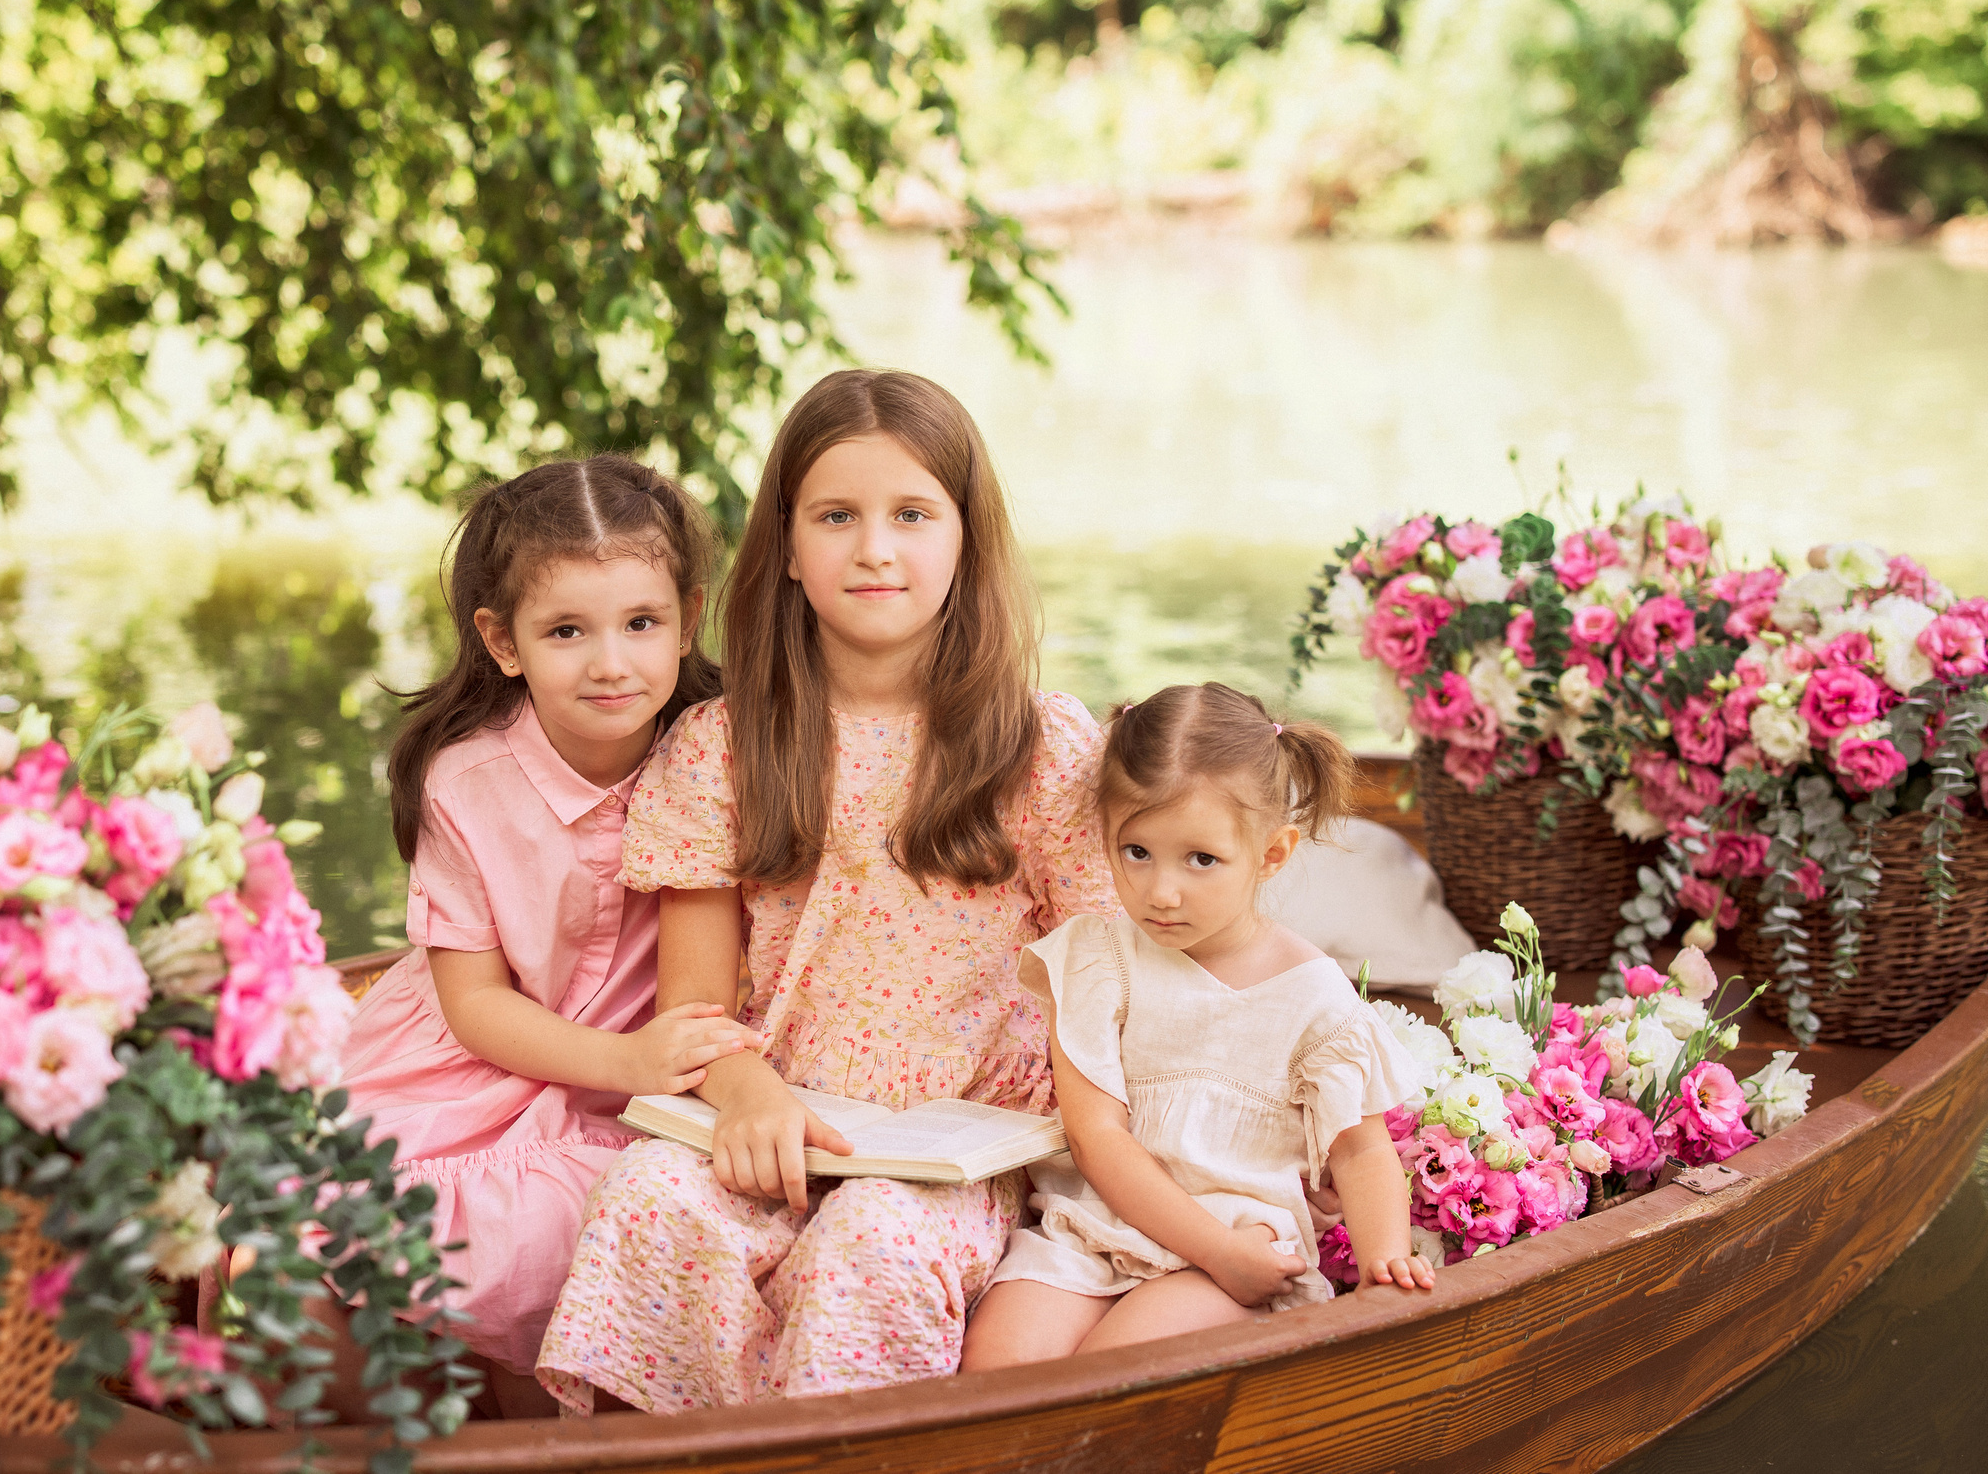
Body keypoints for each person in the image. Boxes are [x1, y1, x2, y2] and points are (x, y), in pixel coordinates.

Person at [535, 369, 1116, 1414]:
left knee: (871, 1242)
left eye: (911, 515)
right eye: (836, 516)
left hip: (958, 1140)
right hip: (778, 1106)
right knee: (647, 1200)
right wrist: (748, 1089)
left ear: (965, 541)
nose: (875, 549)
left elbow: (1115, 978)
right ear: (790, 550)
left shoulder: (1041, 749)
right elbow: (695, 1008)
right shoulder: (721, 746)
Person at [328, 454, 757, 1416]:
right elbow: (474, 1002)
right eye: (567, 630)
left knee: (599, 1223)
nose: (611, 662)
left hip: (657, 1066)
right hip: (486, 1055)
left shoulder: (726, 752)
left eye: (642, 624)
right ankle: (439, 1431)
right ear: (504, 640)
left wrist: (653, 1065)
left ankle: (545, 1432)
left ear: (689, 620)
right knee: (355, 1223)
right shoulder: (466, 781)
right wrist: (623, 1058)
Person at [960, 684, 1432, 1372]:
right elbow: (1097, 1140)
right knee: (994, 1371)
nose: (1161, 891)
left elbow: (1361, 1152)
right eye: (1137, 852)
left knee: (1106, 1378)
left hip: (1232, 1256)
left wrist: (1385, 1263)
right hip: (1091, 1231)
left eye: (1200, 859)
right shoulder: (1098, 958)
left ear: (1271, 855)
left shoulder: (1313, 994)